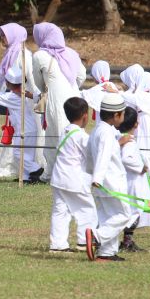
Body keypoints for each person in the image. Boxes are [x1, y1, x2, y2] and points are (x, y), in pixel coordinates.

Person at [32, 22, 86, 182]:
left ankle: (55, 173)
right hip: (75, 95)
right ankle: (75, 170)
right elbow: (82, 76)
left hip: (56, 98)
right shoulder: (71, 53)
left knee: (55, 134)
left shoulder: (39, 55)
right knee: (75, 132)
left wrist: (48, 88)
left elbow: (38, 81)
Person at [0, 23, 40, 179]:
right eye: (1, 35)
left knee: (20, 134)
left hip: (23, 101)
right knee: (11, 131)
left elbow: (31, 78)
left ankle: (19, 167)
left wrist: (35, 96)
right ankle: (12, 167)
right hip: (11, 98)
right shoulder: (9, 54)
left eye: (5, 35)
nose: (2, 39)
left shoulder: (25, 55)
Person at [86, 94, 134, 262]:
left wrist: (91, 174)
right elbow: (103, 156)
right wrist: (97, 177)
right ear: (116, 115)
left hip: (100, 183)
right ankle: (97, 237)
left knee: (108, 216)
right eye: (122, 113)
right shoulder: (106, 133)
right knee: (124, 215)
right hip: (110, 182)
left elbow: (89, 155)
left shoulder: (97, 130)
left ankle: (106, 253)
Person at [48, 97, 97, 253]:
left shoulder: (66, 131)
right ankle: (84, 241)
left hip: (58, 178)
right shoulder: (81, 136)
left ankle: (57, 244)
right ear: (85, 115)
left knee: (60, 211)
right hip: (74, 179)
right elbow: (93, 154)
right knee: (87, 209)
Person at [0, 67, 43, 182]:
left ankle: (36, 169)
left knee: (18, 153)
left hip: (24, 129)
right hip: (31, 127)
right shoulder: (24, 93)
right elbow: (37, 96)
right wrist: (29, 94)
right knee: (28, 154)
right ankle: (27, 177)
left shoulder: (11, 97)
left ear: (8, 83)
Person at [117, 107, 150, 252]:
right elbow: (126, 158)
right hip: (134, 182)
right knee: (135, 213)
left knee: (133, 212)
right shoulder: (129, 142)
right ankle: (126, 241)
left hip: (130, 181)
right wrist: (141, 167)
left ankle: (127, 241)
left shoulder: (122, 138)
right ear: (136, 124)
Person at [120, 66, 150, 176]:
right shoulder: (140, 94)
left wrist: (117, 92)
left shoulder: (145, 96)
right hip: (143, 122)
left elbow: (130, 98)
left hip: (146, 123)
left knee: (145, 145)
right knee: (147, 146)